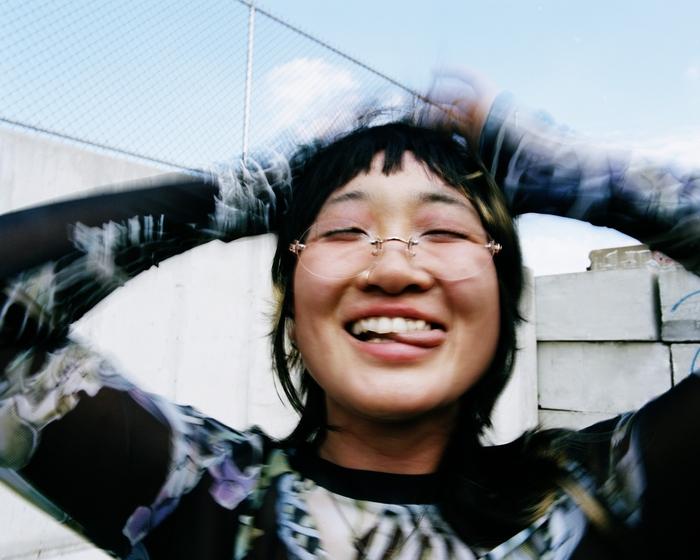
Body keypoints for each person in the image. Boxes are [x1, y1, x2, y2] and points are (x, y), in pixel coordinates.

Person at [1, 70, 699, 560]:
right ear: (290, 304)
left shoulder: (594, 500)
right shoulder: (207, 503)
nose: (393, 269)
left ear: (503, 294)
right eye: (343, 231)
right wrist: (254, 190)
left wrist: (557, 172)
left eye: (443, 231)